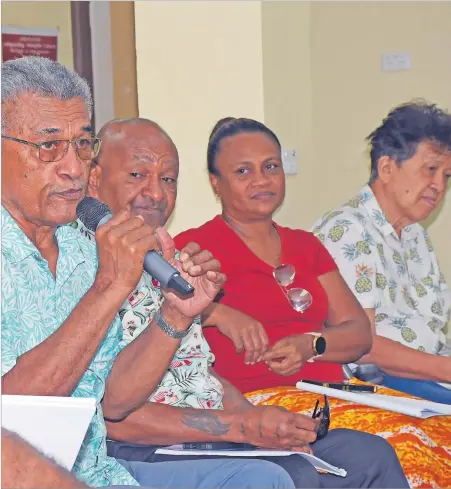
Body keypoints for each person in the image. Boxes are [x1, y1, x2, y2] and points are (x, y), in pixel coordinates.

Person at [1, 56, 295, 489]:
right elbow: (14, 419)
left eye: (82, 145)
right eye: (48, 147)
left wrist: (175, 316)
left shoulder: (84, 245)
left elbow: (116, 402)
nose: (73, 168)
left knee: (261, 479)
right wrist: (108, 288)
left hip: (101, 475)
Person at [78, 117, 409, 488]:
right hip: (146, 445)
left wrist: (263, 421)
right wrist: (244, 426)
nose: (156, 193)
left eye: (167, 179)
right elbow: (111, 414)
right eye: (138, 175)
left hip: (216, 427)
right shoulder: (83, 264)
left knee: (369, 457)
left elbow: (201, 373)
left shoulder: (165, 259)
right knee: (290, 474)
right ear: (93, 179)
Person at [175, 117, 373, 393]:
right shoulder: (193, 247)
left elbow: (360, 334)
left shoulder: (306, 245)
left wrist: (311, 345)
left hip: (334, 396)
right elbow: (161, 312)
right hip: (253, 410)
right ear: (216, 184)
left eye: (271, 167)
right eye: (243, 171)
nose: (261, 180)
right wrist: (218, 314)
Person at [310, 101, 451, 404]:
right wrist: (446, 370)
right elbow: (363, 348)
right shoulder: (347, 231)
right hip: (379, 387)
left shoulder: (416, 236)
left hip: (430, 377)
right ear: (387, 168)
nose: (439, 186)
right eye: (431, 170)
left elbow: (433, 330)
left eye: (447, 176)